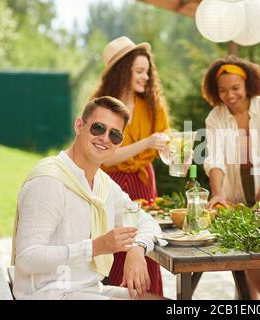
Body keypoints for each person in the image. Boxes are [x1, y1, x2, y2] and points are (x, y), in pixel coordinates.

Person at [12, 97, 162, 300]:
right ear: (79, 125)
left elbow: (147, 221)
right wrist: (94, 247)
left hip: (89, 291)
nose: (105, 138)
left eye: (114, 134)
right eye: (98, 128)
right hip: (49, 294)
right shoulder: (49, 181)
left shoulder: (102, 185)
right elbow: (27, 258)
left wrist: (138, 248)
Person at [202, 55, 260, 299]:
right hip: (235, 195)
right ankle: (247, 300)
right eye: (223, 90)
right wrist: (218, 193)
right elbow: (215, 160)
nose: (230, 96)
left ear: (248, 85)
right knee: (244, 260)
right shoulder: (215, 117)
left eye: (235, 88)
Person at [92, 36, 170, 295]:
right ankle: (117, 293)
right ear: (122, 72)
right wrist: (147, 141)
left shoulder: (153, 105)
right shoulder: (103, 108)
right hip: (109, 182)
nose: (146, 77)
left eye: (147, 72)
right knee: (116, 244)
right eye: (139, 71)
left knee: (145, 241)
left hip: (143, 181)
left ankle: (147, 294)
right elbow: (106, 158)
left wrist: (169, 146)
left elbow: (165, 141)